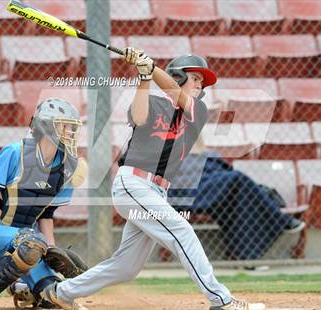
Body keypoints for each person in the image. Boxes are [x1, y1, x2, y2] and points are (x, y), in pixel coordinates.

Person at [40, 50, 266, 310]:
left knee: (126, 267)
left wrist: (150, 66)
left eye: (202, 83)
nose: (200, 86)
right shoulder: (154, 104)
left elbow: (173, 91)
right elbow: (138, 117)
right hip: (133, 184)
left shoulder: (197, 111)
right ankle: (221, 300)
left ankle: (59, 292)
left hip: (156, 192)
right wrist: (144, 77)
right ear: (179, 77)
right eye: (195, 79)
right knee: (182, 231)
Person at [0, 98, 88, 310]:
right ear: (46, 126)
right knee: (32, 242)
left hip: (29, 240)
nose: (71, 132)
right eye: (65, 126)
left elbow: (47, 213)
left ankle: (21, 287)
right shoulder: (15, 152)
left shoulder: (69, 166)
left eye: (73, 127)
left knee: (52, 295)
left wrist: (51, 249)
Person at [168, 146, 306, 261]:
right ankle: (280, 221)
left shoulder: (198, 145)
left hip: (212, 186)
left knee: (236, 194)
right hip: (186, 190)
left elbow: (211, 162)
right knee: (236, 180)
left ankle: (248, 257)